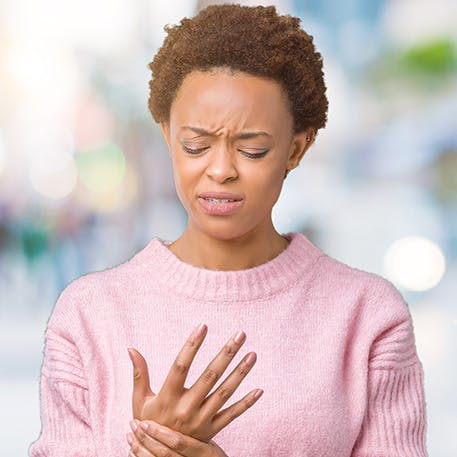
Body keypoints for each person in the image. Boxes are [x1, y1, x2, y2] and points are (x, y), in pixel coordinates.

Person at [29, 4, 428, 457]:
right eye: (195, 145)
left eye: (253, 150)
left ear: (298, 148)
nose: (220, 170)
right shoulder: (89, 315)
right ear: (167, 134)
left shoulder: (366, 316)